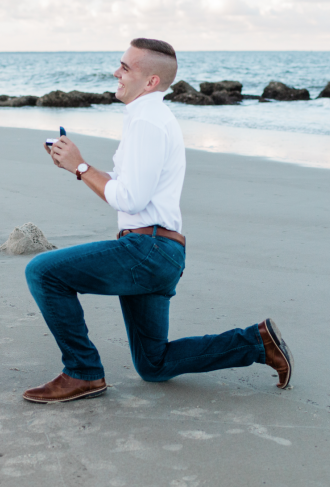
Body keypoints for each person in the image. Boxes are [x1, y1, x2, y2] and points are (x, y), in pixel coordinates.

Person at [23, 37, 294, 403]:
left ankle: (82, 372)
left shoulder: (148, 122)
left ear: (151, 81)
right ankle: (257, 342)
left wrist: (81, 166)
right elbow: (129, 189)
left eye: (126, 67)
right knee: (154, 364)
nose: (116, 72)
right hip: (157, 250)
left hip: (147, 250)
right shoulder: (147, 118)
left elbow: (130, 198)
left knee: (42, 271)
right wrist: (77, 167)